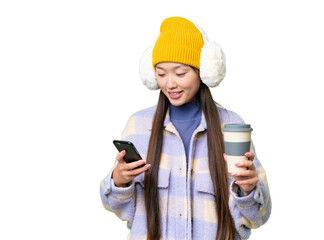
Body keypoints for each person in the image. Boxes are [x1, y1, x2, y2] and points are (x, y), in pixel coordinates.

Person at [100, 16, 271, 240]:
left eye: (180, 74)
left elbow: (258, 216)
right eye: (161, 74)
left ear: (204, 71)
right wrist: (119, 181)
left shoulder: (231, 127)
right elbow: (118, 208)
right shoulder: (138, 126)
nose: (169, 84)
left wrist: (247, 191)